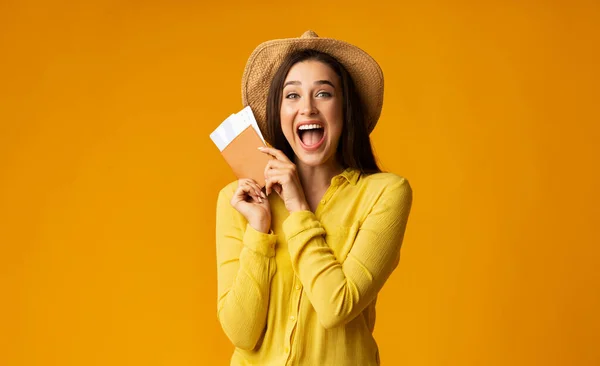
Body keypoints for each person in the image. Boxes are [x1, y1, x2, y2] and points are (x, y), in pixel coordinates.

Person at [215, 30, 413, 366]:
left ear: (345, 110)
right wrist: (259, 232)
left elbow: (337, 306)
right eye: (292, 96)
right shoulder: (240, 201)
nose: (307, 108)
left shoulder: (385, 193)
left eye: (323, 94)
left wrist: (297, 207)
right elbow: (241, 333)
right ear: (277, 112)